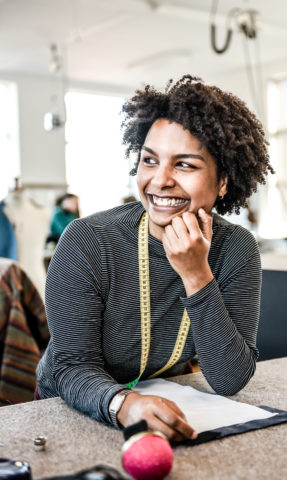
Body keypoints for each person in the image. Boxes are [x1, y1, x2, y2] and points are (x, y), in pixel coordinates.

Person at [36, 75, 273, 442]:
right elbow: (72, 367)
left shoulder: (236, 248)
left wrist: (197, 275)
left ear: (223, 181)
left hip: (162, 401)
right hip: (67, 407)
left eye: (185, 165)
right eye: (150, 160)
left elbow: (230, 379)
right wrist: (124, 404)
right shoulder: (89, 240)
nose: (159, 180)